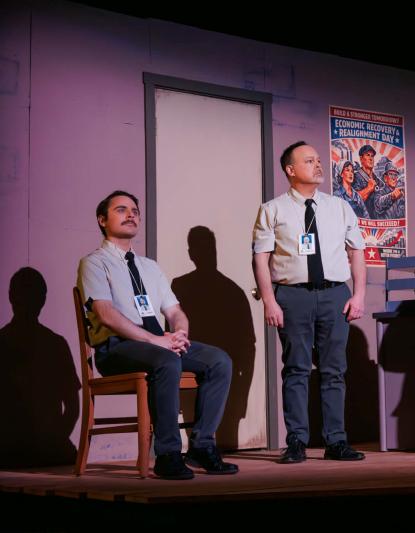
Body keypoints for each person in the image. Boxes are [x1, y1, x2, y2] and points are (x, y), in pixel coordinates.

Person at [77, 191, 238, 479]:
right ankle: (167, 455)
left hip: (158, 345)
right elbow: (105, 313)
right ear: (102, 220)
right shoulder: (94, 263)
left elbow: (175, 311)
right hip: (117, 348)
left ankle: (201, 446)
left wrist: (180, 334)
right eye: (121, 210)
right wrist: (156, 341)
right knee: (167, 360)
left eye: (135, 211)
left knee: (219, 360)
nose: (131, 215)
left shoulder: (149, 267)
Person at [252, 141, 367, 463]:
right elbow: (260, 259)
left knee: (334, 371)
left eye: (318, 160)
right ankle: (297, 442)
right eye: (308, 161)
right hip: (293, 296)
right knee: (296, 369)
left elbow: (357, 251)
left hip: (334, 295)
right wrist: (269, 300)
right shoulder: (272, 209)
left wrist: (358, 294)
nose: (318, 165)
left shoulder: (339, 207)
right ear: (290, 170)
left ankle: (336, 441)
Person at [352, 144, 380, 218]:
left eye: (372, 156)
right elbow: (353, 201)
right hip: (363, 220)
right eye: (368, 155)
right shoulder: (355, 177)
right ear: (361, 159)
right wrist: (368, 189)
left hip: (377, 221)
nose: (371, 158)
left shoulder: (378, 180)